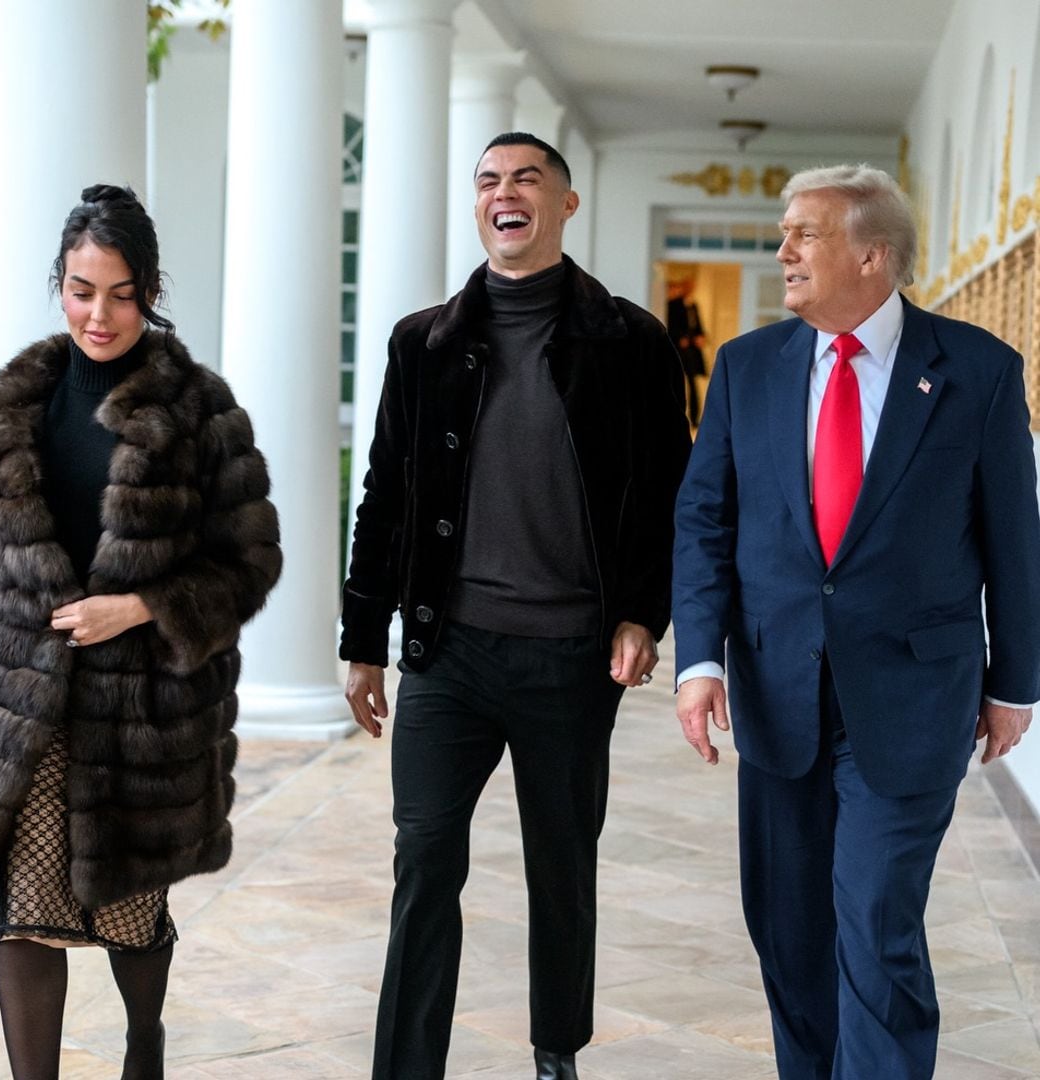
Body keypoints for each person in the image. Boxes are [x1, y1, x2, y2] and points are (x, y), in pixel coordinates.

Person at [671, 164, 1040, 1080]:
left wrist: (1015, 682)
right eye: (785, 233)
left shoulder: (979, 371)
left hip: (915, 697)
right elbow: (706, 519)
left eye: (806, 233)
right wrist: (699, 660)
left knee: (876, 924)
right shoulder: (748, 368)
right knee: (789, 932)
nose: (784, 252)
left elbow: (1014, 541)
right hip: (777, 692)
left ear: (873, 255)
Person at [342, 132, 689, 1080]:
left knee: (562, 865)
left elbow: (668, 494)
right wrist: (363, 636)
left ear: (565, 204)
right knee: (424, 859)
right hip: (448, 653)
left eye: (527, 178)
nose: (506, 192)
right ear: (478, 205)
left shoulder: (631, 343)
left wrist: (642, 613)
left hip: (570, 657)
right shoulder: (423, 342)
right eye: (490, 180)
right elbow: (385, 494)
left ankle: (555, 1050)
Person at [0, 184, 282, 1080]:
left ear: (150, 290)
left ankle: (146, 1039)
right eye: (80, 291)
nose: (98, 315)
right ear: (58, 286)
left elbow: (249, 560)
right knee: (24, 913)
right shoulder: (5, 412)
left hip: (146, 709)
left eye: (120, 294)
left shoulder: (199, 411)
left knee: (131, 916)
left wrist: (141, 607)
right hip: (25, 701)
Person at [666, 276, 706, 424]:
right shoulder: (673, 305)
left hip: (692, 351)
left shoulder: (693, 306)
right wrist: (679, 338)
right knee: (676, 382)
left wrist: (701, 337)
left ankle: (695, 418)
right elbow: (671, 326)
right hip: (678, 350)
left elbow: (698, 326)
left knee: (692, 384)